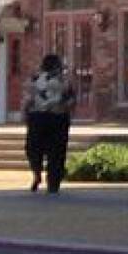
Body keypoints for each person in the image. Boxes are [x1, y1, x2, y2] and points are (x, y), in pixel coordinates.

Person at [23, 51, 75, 194]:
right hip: (55, 118)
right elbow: (71, 100)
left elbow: (28, 99)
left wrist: (26, 114)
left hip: (41, 118)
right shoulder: (61, 80)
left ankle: (44, 177)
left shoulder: (37, 79)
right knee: (55, 152)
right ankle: (50, 180)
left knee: (35, 149)